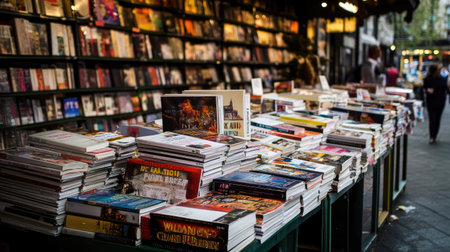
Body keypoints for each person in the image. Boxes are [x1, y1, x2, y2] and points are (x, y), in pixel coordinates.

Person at [423, 64, 448, 144]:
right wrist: (428, 90)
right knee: (432, 119)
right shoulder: (427, 79)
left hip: (440, 102)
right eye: (437, 70)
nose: (439, 72)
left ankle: (435, 136)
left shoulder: (442, 79)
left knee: (437, 119)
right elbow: (424, 88)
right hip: (431, 102)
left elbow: (446, 89)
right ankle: (431, 136)